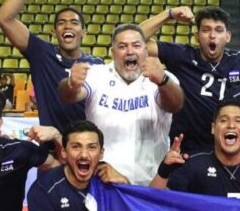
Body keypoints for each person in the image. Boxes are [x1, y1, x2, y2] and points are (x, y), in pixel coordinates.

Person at [59, 24, 184, 187]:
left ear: (146, 51)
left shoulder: (162, 77)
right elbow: (69, 96)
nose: (130, 51)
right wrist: (71, 83)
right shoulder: (97, 74)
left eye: (136, 46)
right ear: (113, 53)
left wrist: (163, 81)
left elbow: (174, 105)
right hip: (103, 181)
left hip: (151, 183)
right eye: (122, 46)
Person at [139, 6, 240, 153]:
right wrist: (168, 14)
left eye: (218, 30)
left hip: (226, 148)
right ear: (197, 36)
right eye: (206, 30)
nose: (212, 36)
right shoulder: (182, 55)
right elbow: (133, 41)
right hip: (185, 150)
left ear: (228, 36)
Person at [0, 0, 103, 135]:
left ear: (84, 32)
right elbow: (4, 18)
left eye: (74, 23)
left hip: (87, 145)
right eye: (61, 23)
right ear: (54, 32)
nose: (67, 26)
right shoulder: (42, 54)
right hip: (53, 147)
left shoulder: (97, 64)